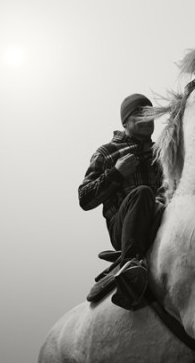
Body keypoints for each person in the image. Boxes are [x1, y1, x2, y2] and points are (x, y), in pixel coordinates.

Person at [78, 93, 166, 310]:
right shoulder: (106, 153)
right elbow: (85, 199)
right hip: (123, 227)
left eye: (150, 115)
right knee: (142, 193)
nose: (147, 119)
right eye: (139, 115)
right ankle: (130, 267)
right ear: (125, 122)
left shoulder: (162, 152)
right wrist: (116, 173)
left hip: (162, 219)